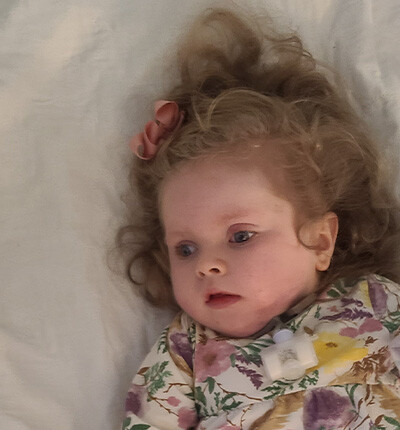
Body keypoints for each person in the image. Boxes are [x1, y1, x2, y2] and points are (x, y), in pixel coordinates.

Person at [117, 7, 400, 429]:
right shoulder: (185, 349)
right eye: (186, 248)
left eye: (241, 236)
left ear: (321, 241)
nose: (206, 265)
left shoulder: (375, 302)